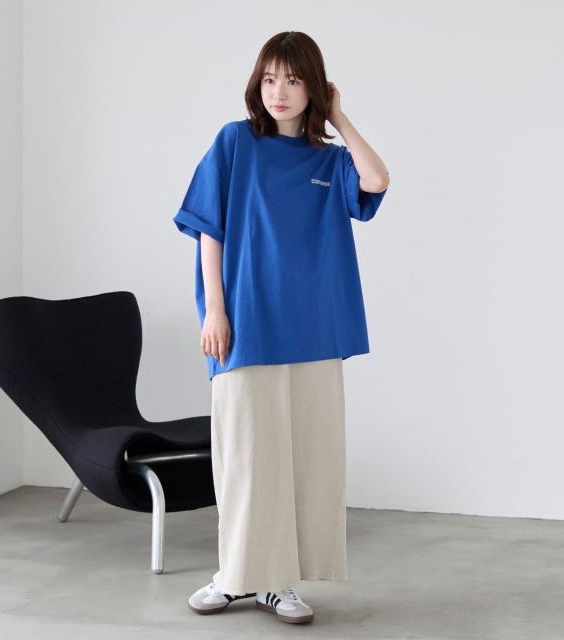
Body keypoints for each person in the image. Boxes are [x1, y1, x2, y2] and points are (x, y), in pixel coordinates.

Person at [173, 31, 390, 625]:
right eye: (270, 78)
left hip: (314, 328)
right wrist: (215, 310)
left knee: (306, 460)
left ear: (314, 88)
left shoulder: (329, 161)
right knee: (245, 458)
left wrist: (339, 118)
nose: (279, 91)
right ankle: (234, 576)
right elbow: (208, 228)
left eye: (293, 80)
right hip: (246, 325)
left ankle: (280, 583)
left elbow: (377, 181)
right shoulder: (235, 142)